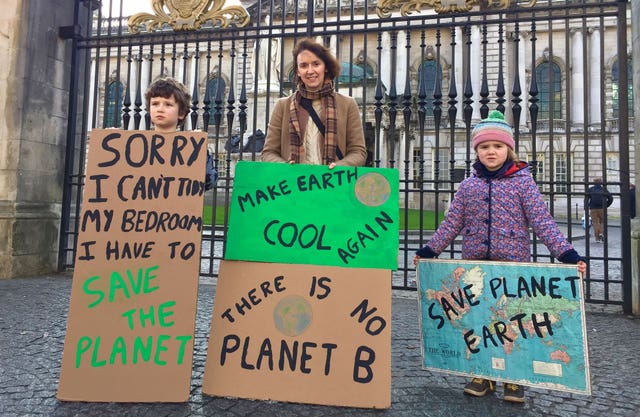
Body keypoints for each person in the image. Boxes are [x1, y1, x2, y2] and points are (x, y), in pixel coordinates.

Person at [413, 110, 588, 404]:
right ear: (477, 152)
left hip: (512, 268)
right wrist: (430, 250)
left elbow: (542, 221)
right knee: (479, 320)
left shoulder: (523, 182)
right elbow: (452, 222)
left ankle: (513, 378)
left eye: (496, 146)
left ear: (508, 149)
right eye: (484, 147)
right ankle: (482, 373)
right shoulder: (468, 186)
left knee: (510, 322)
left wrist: (567, 254)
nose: (490, 152)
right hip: (476, 269)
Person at [260, 38, 367, 168]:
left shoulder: (347, 104)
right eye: (303, 65)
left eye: (316, 64)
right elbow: (268, 152)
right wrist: (287, 168)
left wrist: (338, 167)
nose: (310, 71)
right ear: (298, 71)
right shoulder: (283, 105)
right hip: (295, 183)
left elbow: (358, 152)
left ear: (326, 68)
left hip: (331, 183)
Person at [145, 77, 217, 189]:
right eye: (155, 104)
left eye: (168, 104)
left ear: (181, 113)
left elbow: (209, 182)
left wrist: (200, 151)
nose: (160, 109)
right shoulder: (138, 146)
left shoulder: (190, 147)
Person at [585, 177, 613, 243]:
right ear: (601, 182)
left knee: (595, 223)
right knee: (602, 222)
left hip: (593, 208)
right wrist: (607, 205)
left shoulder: (590, 189)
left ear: (594, 182)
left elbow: (586, 199)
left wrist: (586, 207)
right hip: (602, 208)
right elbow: (611, 198)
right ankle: (601, 233)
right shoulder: (604, 189)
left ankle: (597, 239)